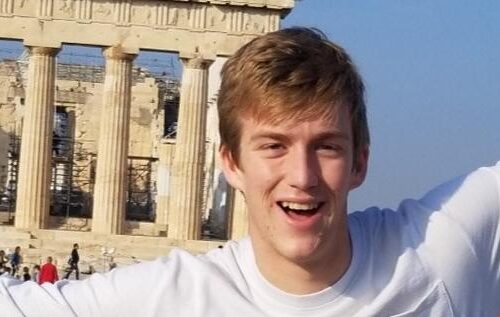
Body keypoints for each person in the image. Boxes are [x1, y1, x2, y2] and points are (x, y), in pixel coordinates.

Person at [0, 27, 498, 316]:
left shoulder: (440, 254)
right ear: (231, 162)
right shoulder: (170, 298)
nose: (301, 175)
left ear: (360, 161)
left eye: (326, 146)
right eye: (273, 146)